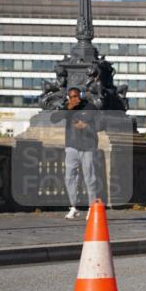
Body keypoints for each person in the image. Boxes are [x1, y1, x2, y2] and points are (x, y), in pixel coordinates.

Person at [50, 87, 102, 219]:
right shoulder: (67, 108)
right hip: (71, 146)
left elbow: (101, 124)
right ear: (68, 97)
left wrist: (86, 127)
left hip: (88, 146)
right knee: (69, 177)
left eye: (76, 96)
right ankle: (73, 207)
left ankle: (92, 207)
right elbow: (54, 119)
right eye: (72, 97)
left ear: (81, 95)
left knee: (89, 177)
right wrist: (67, 108)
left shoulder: (90, 107)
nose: (75, 99)